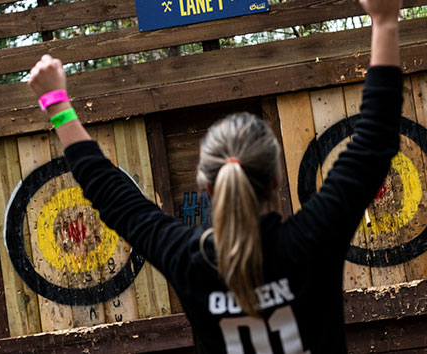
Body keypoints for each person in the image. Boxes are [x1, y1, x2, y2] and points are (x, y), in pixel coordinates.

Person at [28, 0, 402, 352]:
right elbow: (373, 142)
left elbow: (111, 194)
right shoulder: (310, 241)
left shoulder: (190, 260)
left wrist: (57, 104)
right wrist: (384, 21)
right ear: (275, 178)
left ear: (208, 187)